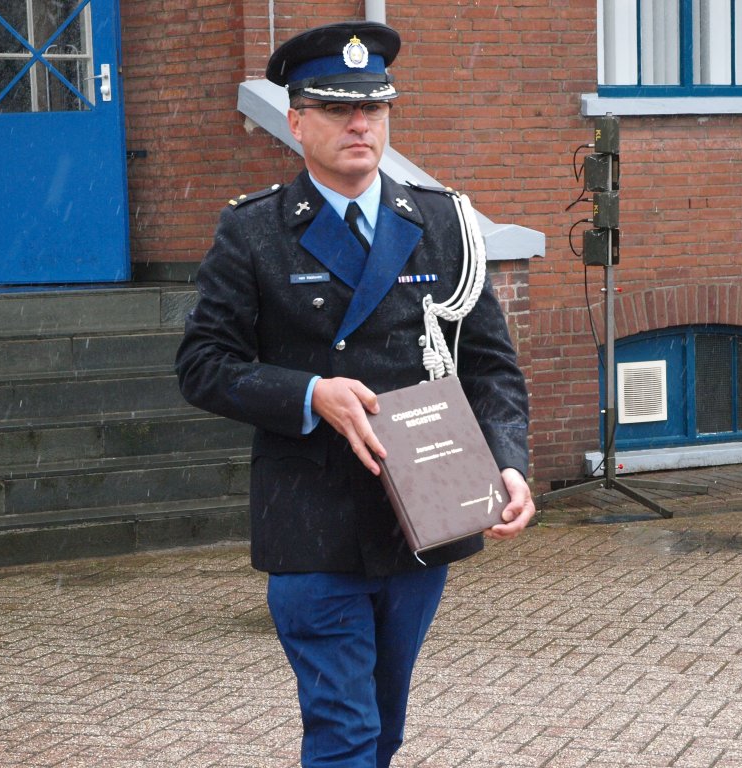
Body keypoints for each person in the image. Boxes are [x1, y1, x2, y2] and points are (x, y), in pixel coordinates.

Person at [175, 20, 535, 768]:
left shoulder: (442, 222)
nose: (360, 125)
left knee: (384, 722)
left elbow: (489, 367)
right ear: (296, 122)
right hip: (311, 521)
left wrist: (508, 461)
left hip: (425, 511)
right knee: (345, 731)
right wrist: (311, 393)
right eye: (337, 109)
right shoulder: (253, 231)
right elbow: (203, 364)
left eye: (373, 107)